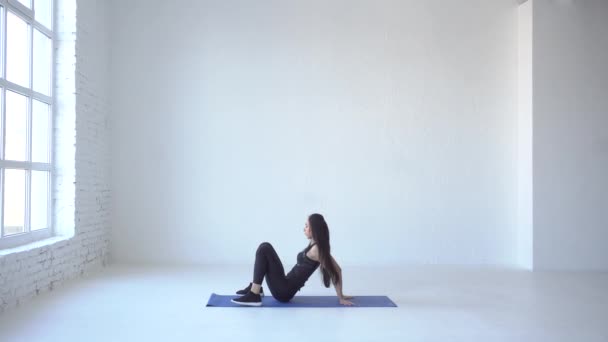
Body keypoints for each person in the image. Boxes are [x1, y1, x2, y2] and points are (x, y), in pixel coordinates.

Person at [231, 213, 354, 306]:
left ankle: (254, 294)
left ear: (314, 230)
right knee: (265, 247)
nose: (304, 228)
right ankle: (256, 287)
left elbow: (336, 270)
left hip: (284, 291)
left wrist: (341, 297)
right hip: (284, 283)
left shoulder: (317, 250)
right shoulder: (314, 244)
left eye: (307, 226)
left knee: (265, 249)